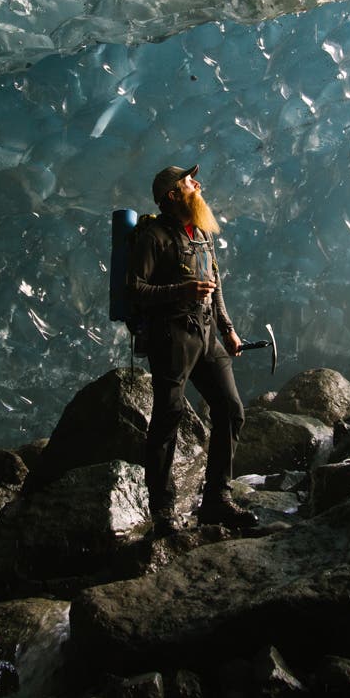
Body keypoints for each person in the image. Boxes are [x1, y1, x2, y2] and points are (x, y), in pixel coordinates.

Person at [127, 164, 258, 535]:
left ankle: (216, 500)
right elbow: (134, 291)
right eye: (188, 182)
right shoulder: (153, 237)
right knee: (167, 420)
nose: (197, 184)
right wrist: (179, 292)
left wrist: (228, 330)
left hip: (206, 338)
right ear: (172, 194)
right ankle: (163, 511)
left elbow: (214, 286)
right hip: (171, 339)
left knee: (231, 410)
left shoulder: (201, 232)